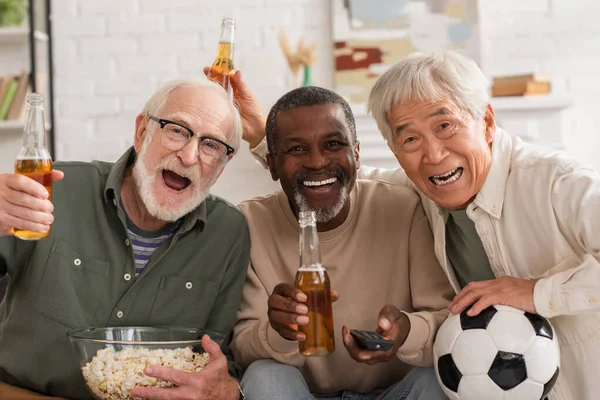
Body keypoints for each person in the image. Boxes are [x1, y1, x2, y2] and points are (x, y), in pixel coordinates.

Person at [244, 51, 600, 400]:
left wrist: (534, 293)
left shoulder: (557, 183)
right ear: (394, 150)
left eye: (445, 125)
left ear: (487, 123)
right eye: (410, 138)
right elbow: (335, 177)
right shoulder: (418, 191)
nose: (433, 155)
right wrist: (271, 146)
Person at [0, 77, 250, 400]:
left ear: (223, 164)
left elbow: (220, 364)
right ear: (142, 131)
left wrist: (228, 391)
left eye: (211, 145)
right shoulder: (55, 190)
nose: (189, 156)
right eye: (177, 130)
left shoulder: (228, 233)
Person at [232, 86, 453, 399]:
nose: (318, 162)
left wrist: (406, 331)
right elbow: (241, 346)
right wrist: (276, 330)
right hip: (302, 393)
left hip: (395, 391)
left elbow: (446, 318)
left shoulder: (404, 209)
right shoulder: (248, 224)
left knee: (437, 380)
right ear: (271, 164)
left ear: (357, 153)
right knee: (264, 376)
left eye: (333, 144)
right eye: (296, 150)